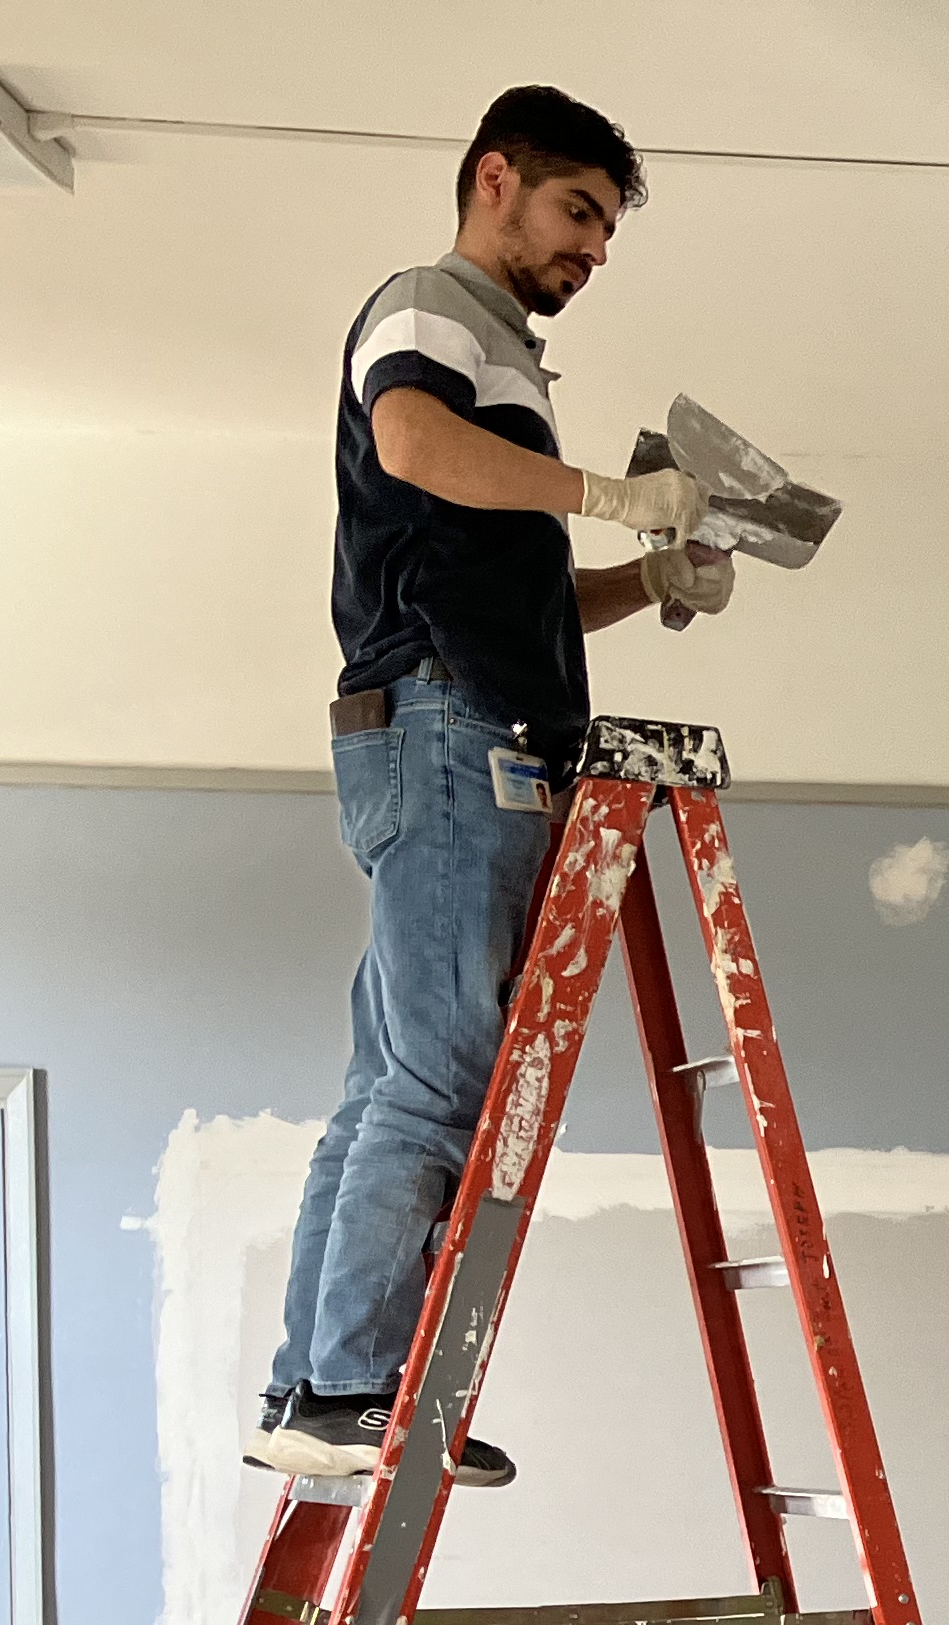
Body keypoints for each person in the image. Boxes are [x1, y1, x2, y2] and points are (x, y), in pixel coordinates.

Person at [246, 84, 742, 1485]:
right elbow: (409, 444)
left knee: (394, 1080)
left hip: (458, 713)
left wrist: (648, 576)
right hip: (454, 731)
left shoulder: (504, 364)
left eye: (605, 232)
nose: (590, 251)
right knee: (440, 1079)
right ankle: (352, 1388)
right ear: (494, 179)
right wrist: (604, 491)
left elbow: (509, 595)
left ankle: (316, 1388)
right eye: (577, 212)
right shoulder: (432, 311)